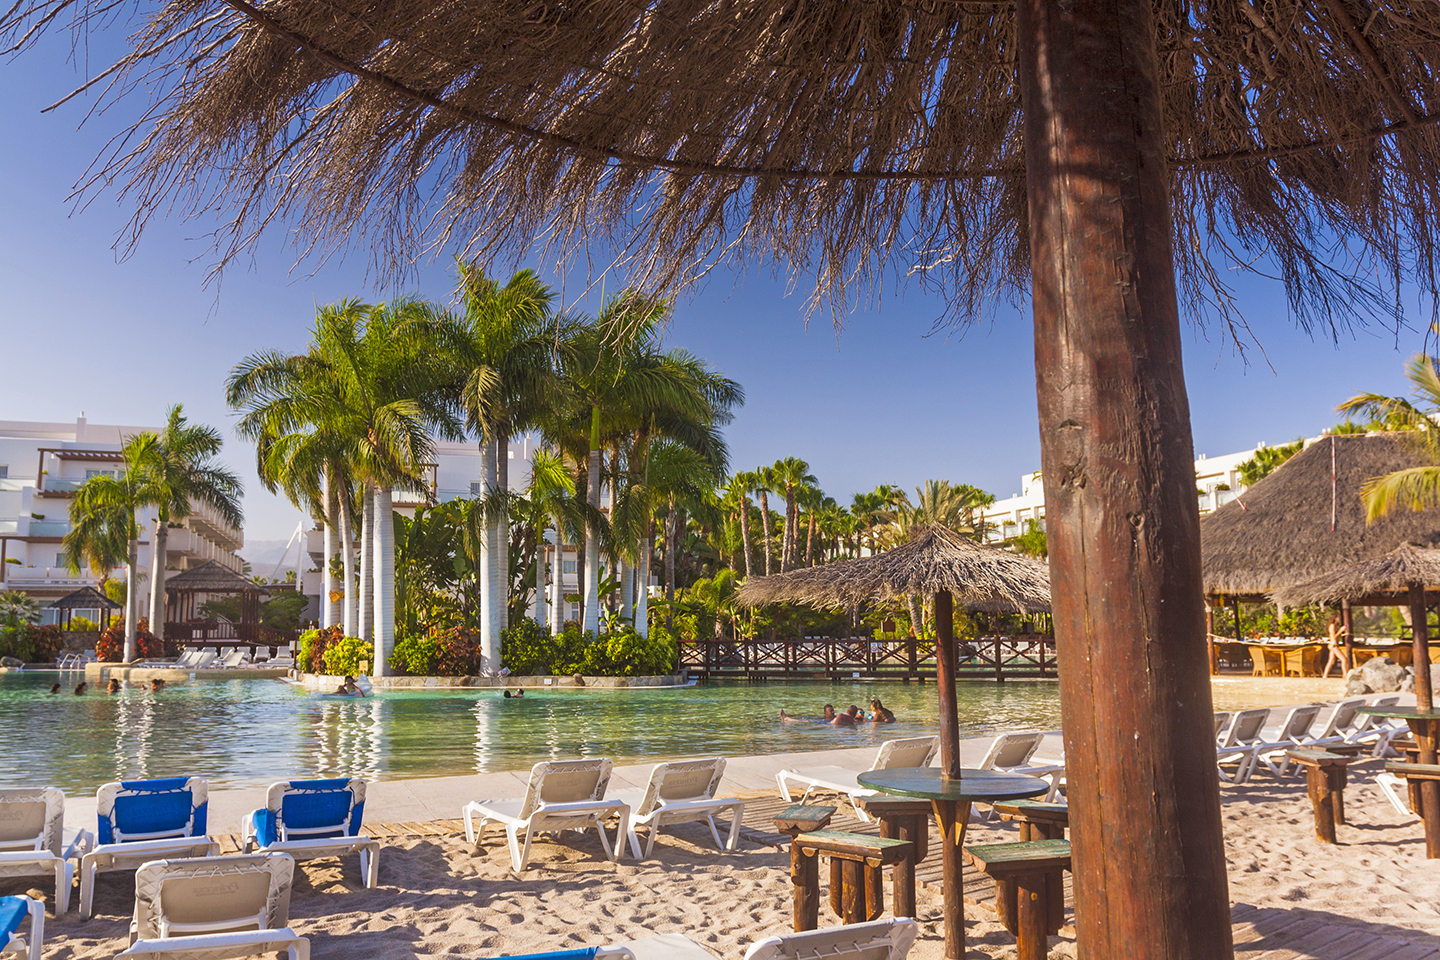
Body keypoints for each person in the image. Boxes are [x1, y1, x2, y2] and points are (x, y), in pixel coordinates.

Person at [1323, 612, 1350, 679]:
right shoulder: (1332, 626)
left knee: (1331, 661)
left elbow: (1337, 636)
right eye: (1338, 617)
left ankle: (1325, 675)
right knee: (1344, 659)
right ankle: (1346, 675)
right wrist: (1340, 631)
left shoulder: (1336, 626)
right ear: (1335, 618)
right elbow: (1333, 637)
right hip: (1333, 645)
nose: (1340, 618)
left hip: (1335, 644)